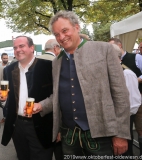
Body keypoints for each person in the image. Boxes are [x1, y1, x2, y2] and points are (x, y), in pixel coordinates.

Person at [33, 11, 130, 158]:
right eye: (57, 34)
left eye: (65, 30)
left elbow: (121, 95)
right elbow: (59, 95)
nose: (61, 37)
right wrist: (42, 106)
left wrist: (121, 134)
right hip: (69, 135)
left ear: (77, 27)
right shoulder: (56, 62)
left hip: (101, 133)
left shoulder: (104, 50)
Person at [0, 36, 54, 160]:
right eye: (15, 47)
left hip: (41, 125)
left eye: (21, 46)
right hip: (17, 125)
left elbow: (58, 96)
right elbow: (7, 101)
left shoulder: (48, 66)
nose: (18, 50)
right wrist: (2, 99)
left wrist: (42, 105)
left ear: (32, 48)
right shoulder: (9, 70)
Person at [109, 38, 142, 156]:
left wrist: (123, 119)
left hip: (125, 118)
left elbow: (133, 103)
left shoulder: (127, 73)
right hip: (113, 121)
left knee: (125, 151)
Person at [37, 39, 62, 160]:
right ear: (56, 48)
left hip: (38, 112)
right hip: (56, 113)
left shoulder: (34, 62)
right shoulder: (58, 62)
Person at [0, 52, 9, 123]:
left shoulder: (10, 66)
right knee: (3, 102)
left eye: (6, 58)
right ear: (1, 58)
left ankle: (8, 117)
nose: (5, 59)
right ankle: (5, 117)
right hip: (2, 87)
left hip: (9, 87)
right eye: (4, 58)